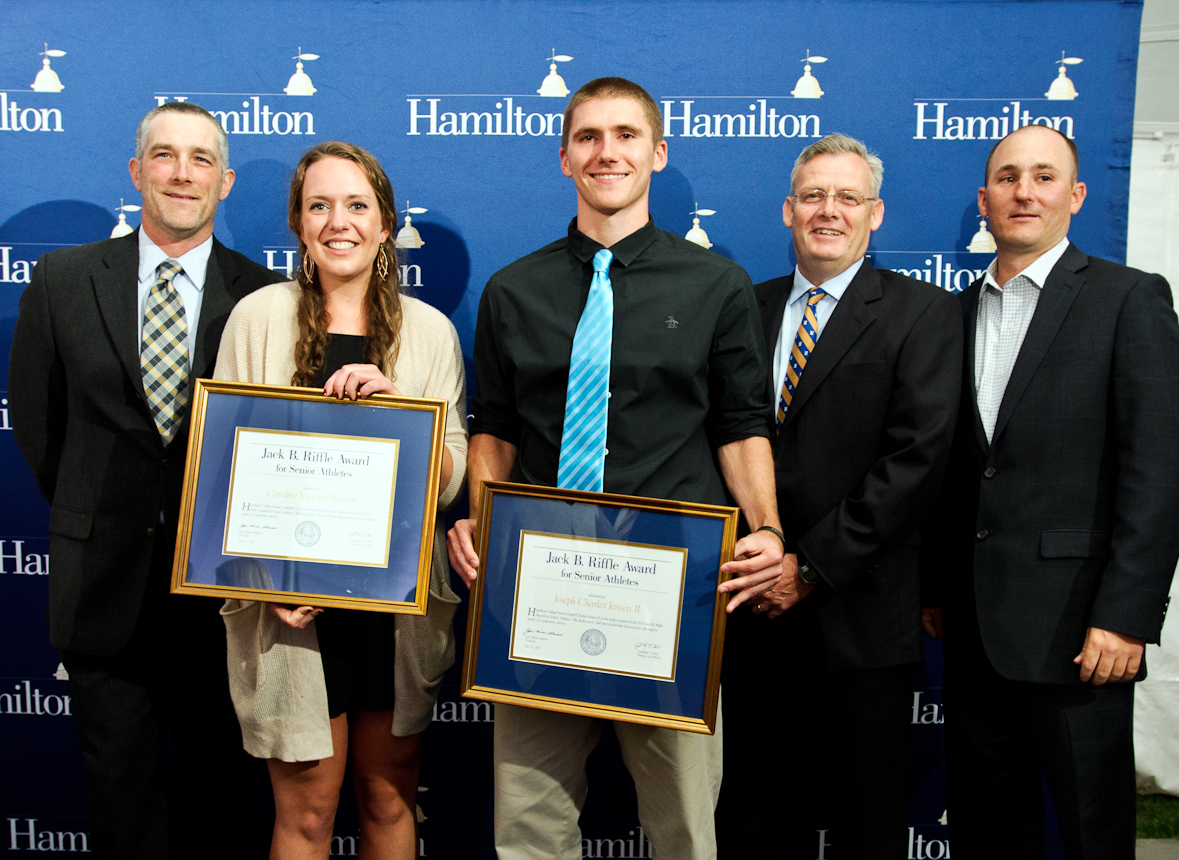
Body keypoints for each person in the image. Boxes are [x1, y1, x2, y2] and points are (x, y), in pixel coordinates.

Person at [446, 76, 784, 860]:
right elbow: (493, 432)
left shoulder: (715, 285)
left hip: (668, 591)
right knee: (529, 825)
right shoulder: (512, 290)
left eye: (626, 136)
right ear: (564, 156)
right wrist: (482, 525)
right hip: (538, 585)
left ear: (656, 153)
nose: (607, 152)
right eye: (589, 137)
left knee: (683, 828)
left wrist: (765, 527)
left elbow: (740, 427)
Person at [7, 101, 283, 860]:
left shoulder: (265, 299)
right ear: (137, 172)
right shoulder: (63, 279)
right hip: (101, 583)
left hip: (222, 587)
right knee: (121, 802)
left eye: (200, 159)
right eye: (165, 156)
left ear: (223, 181)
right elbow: (38, 423)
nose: (182, 173)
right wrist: (101, 512)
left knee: (221, 796)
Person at [923, 123, 1179, 859]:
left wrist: (1126, 616)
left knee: (1089, 827)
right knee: (985, 824)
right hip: (974, 631)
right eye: (1007, 177)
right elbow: (955, 468)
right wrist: (937, 586)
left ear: (1073, 195)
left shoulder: (1126, 299)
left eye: (1043, 177)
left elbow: (1161, 471)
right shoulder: (948, 317)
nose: (1023, 191)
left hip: (1083, 632)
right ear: (984, 199)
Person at [213, 141, 468, 860]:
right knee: (306, 814)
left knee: (389, 800)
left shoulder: (430, 333)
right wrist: (266, 586)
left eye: (357, 205)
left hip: (394, 610)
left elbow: (451, 478)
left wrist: (404, 422)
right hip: (290, 613)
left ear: (386, 224)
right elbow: (224, 470)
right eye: (318, 205)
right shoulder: (258, 318)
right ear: (298, 223)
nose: (338, 221)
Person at [714, 133, 962, 859]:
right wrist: (762, 569)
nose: (829, 211)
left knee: (868, 816)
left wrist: (807, 568)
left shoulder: (924, 313)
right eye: (813, 195)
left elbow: (914, 461)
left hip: (861, 613)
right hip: (748, 612)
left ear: (874, 214)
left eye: (846, 197)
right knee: (749, 812)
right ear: (787, 210)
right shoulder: (741, 309)